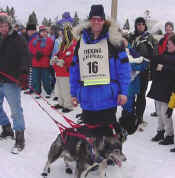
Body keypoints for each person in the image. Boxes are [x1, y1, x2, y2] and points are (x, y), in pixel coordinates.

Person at [69, 5, 131, 134]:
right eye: (94, 19)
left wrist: (124, 92)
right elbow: (75, 70)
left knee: (107, 140)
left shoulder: (114, 41)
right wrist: (74, 93)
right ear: (90, 20)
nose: (96, 22)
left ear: (104, 21)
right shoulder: (81, 42)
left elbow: (124, 69)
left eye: (99, 19)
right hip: (87, 98)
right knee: (89, 138)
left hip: (107, 99)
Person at [0, 13, 30, 153]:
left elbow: (25, 56)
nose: (2, 27)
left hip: (11, 80)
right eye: (0, 24)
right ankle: (6, 128)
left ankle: (20, 137)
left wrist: (23, 74)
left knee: (15, 110)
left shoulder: (17, 39)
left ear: (9, 24)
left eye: (4, 24)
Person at [128, 17, 158, 128]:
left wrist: (148, 64)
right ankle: (129, 114)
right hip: (131, 70)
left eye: (142, 24)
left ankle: (139, 117)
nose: (140, 26)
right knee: (130, 93)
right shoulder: (130, 37)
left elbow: (155, 54)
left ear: (145, 26)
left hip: (143, 71)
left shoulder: (149, 38)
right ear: (135, 26)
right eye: (138, 24)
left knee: (141, 95)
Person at [147, 35, 175, 145]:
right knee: (159, 112)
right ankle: (160, 131)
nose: (167, 45)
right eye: (167, 43)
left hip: (168, 89)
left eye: (170, 44)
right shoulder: (164, 55)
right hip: (159, 87)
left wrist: (164, 68)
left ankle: (169, 135)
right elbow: (154, 61)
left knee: (165, 113)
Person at [151, 21, 174, 117]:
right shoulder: (162, 39)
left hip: (169, 63)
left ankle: (168, 110)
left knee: (167, 92)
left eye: (170, 27)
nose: (168, 29)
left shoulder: (173, 38)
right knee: (157, 87)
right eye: (166, 27)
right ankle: (157, 110)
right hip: (162, 61)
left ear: (172, 28)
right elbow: (158, 49)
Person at [51, 24, 76, 112]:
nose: (64, 36)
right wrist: (55, 58)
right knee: (59, 89)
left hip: (66, 72)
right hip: (59, 71)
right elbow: (58, 53)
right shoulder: (63, 44)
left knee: (66, 89)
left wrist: (62, 61)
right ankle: (61, 102)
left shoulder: (73, 45)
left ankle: (68, 105)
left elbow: (71, 58)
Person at [29, 25, 53, 99]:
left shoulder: (49, 40)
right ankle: (37, 91)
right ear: (40, 32)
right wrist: (35, 53)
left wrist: (42, 53)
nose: (44, 33)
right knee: (36, 79)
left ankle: (48, 91)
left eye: (45, 32)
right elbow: (30, 47)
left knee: (46, 79)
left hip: (44, 63)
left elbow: (49, 49)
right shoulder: (34, 40)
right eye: (42, 32)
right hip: (35, 62)